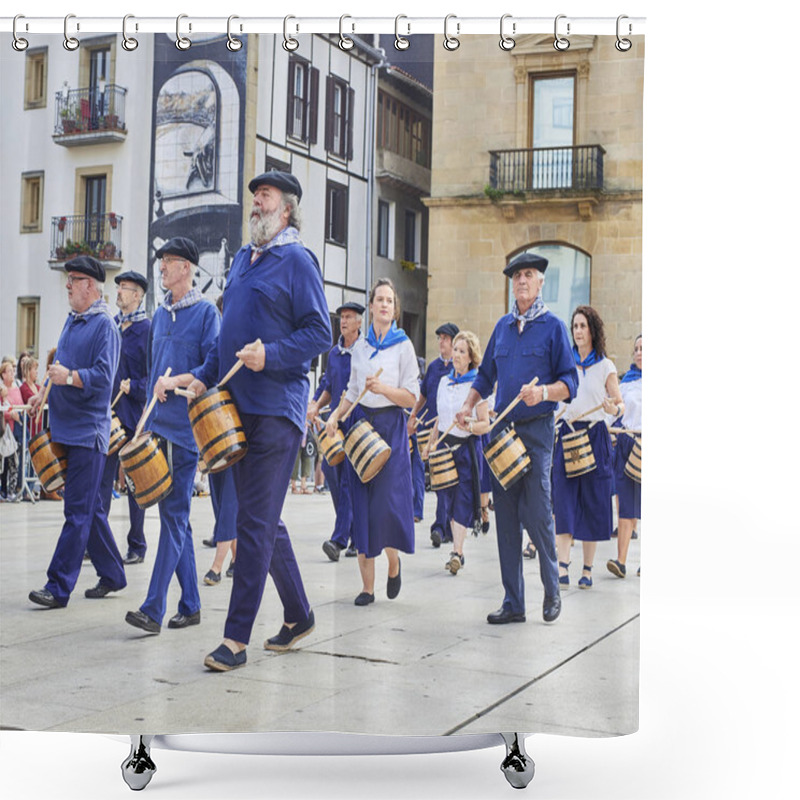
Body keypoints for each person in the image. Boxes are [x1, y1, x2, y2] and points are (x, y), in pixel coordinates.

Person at [189, 170, 331, 670]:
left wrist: (269, 354)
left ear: (285, 209)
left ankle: (235, 639)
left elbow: (320, 334)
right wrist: (203, 376)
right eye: (253, 197)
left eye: (264, 197)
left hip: (277, 410)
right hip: (235, 407)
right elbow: (228, 333)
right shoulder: (244, 262)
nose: (255, 203)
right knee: (264, 519)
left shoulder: (298, 260)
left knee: (251, 522)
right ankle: (299, 614)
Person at [457, 252, 578, 624]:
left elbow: (570, 383)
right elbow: (484, 376)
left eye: (528, 275)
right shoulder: (503, 328)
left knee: (539, 514)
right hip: (503, 433)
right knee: (506, 518)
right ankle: (514, 602)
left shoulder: (554, 327)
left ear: (541, 282)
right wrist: (468, 404)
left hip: (539, 431)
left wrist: (543, 394)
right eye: (516, 276)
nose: (521, 280)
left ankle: (552, 588)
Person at [124, 237, 219, 634]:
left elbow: (211, 368)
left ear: (187, 268)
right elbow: (151, 374)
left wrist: (181, 379)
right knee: (173, 517)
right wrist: (143, 423)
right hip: (157, 428)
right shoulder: (160, 316)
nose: (160, 268)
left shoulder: (207, 314)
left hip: (186, 430)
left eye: (168, 262)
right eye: (161, 261)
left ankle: (152, 608)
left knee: (175, 515)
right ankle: (192, 603)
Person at [27, 256, 127, 608]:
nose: (68, 285)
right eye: (68, 279)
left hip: (88, 433)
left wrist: (68, 377)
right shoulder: (73, 322)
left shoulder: (105, 327)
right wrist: (44, 391)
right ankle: (114, 573)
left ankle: (57, 587)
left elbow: (103, 378)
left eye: (74, 279)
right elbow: (59, 364)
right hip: (67, 430)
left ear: (90, 285)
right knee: (90, 510)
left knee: (78, 513)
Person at [326, 278, 419, 606]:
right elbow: (352, 391)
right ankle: (367, 587)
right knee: (363, 503)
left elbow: (410, 396)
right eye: (378, 299)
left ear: (394, 309)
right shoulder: (361, 348)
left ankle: (394, 563)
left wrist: (384, 391)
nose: (383, 305)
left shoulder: (403, 346)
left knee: (387, 506)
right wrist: (336, 415)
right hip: (362, 425)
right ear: (372, 306)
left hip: (391, 427)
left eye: (389, 301)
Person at [553, 305, 624, 589]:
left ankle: (587, 569)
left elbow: (619, 405)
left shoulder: (605, 366)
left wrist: (612, 407)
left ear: (592, 330)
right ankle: (562, 566)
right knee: (564, 502)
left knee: (594, 503)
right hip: (568, 433)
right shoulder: (564, 363)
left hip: (594, 435)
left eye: (583, 326)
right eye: (575, 327)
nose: (578, 331)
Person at [424, 331, 490, 574]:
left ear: (471, 357)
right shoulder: (444, 382)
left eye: (463, 352)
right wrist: (431, 444)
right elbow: (440, 418)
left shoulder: (477, 385)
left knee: (463, 499)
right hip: (444, 447)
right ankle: (457, 549)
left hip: (467, 448)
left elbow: (486, 424)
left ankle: (457, 552)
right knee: (448, 500)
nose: (457, 356)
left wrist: (469, 426)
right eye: (456, 350)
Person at [308, 301, 365, 562]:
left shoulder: (365, 351)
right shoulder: (334, 353)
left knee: (348, 481)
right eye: (341, 317)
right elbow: (327, 385)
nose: (343, 321)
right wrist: (315, 404)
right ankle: (354, 535)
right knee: (332, 473)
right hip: (334, 424)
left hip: (358, 423)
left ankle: (339, 539)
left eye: (349, 317)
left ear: (359, 322)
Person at [107, 270, 151, 565]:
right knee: (100, 482)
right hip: (108, 416)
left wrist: (133, 386)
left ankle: (137, 545)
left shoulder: (147, 329)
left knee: (136, 486)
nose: (119, 292)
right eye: (119, 287)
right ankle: (94, 540)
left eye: (125, 288)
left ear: (137, 295)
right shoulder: (111, 327)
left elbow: (153, 376)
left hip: (134, 417)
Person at [407, 322, 459, 548]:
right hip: (433, 431)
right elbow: (424, 395)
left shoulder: (460, 369)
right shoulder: (435, 367)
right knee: (438, 479)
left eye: (445, 339)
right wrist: (413, 415)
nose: (441, 342)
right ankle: (440, 526)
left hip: (455, 432)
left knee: (452, 482)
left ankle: (448, 526)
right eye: (439, 338)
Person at [607, 334, 642, 579]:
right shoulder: (626, 383)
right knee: (626, 506)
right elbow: (616, 411)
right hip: (628, 442)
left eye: (644, 349)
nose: (639, 353)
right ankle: (621, 562)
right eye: (637, 349)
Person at [1, 359, 22, 501]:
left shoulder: (16, 389)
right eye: (9, 371)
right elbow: (4, 409)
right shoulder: (1, 389)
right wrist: (11, 414)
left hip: (14, 430)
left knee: (13, 462)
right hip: (3, 430)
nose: (12, 373)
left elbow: (20, 406)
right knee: (3, 461)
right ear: (2, 374)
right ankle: (2, 489)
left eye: (13, 371)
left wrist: (16, 414)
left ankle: (11, 490)